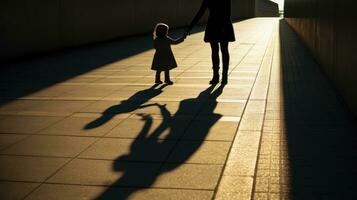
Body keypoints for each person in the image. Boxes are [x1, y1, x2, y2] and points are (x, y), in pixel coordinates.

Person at [185, 0, 235, 84]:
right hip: (218, 24)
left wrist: (190, 27)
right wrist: (190, 27)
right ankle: (220, 76)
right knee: (222, 50)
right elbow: (227, 12)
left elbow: (201, 12)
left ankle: (219, 76)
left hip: (215, 24)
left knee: (218, 50)